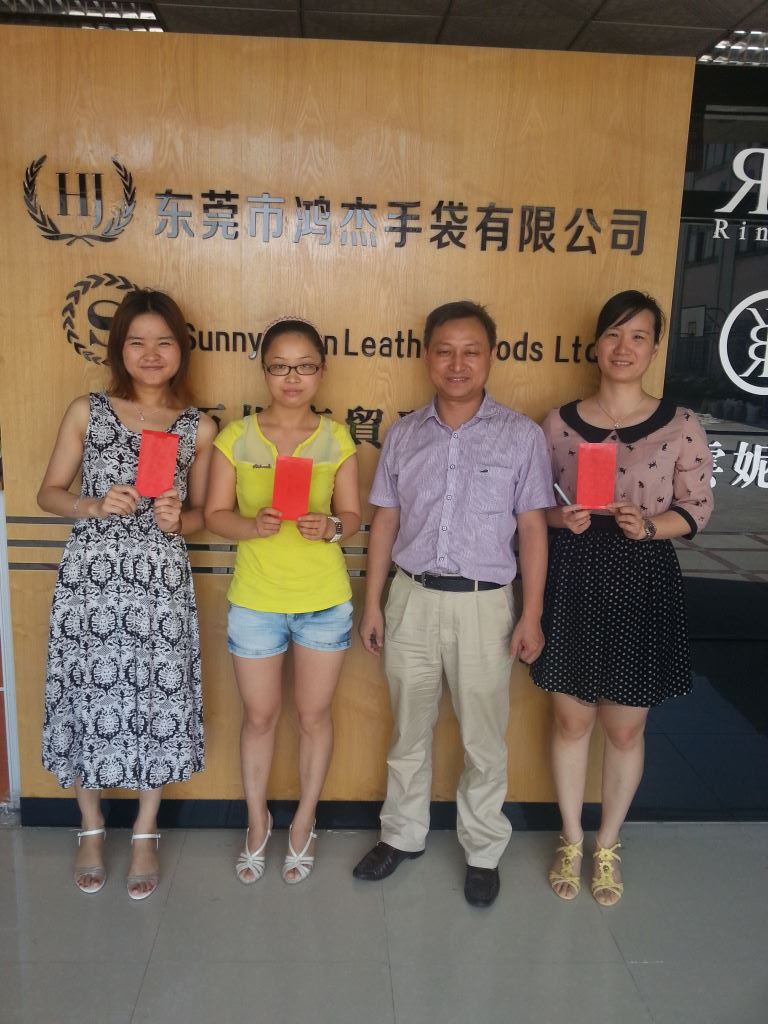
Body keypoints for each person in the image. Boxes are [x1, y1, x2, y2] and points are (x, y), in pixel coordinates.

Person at [352, 300, 552, 908]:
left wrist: (531, 614)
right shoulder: (404, 433)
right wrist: (373, 603)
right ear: (426, 357)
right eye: (445, 351)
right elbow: (385, 522)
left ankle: (483, 849)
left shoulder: (521, 435)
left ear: (491, 356)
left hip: (485, 606)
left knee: (483, 739)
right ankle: (401, 834)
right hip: (411, 598)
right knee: (407, 731)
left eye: (471, 352)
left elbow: (533, 530)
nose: (457, 364)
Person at [530, 289, 713, 906]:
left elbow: (697, 508)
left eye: (638, 336)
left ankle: (607, 844)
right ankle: (571, 837)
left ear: (656, 347)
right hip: (574, 575)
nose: (624, 347)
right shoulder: (559, 423)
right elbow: (532, 506)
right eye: (613, 334)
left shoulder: (681, 424)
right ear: (595, 343)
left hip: (642, 579)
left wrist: (651, 525)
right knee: (571, 719)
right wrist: (561, 518)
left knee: (625, 730)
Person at [38, 288, 216, 900]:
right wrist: (92, 504)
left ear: (181, 350)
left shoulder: (198, 426)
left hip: (160, 582)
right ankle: (90, 824)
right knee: (89, 690)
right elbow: (48, 492)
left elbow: (204, 515)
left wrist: (178, 519)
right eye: (137, 342)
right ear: (119, 349)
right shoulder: (87, 411)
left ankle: (145, 828)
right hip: (91, 580)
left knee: (155, 696)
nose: (151, 353)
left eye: (164, 342)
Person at [205, 317, 361, 885]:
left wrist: (332, 528)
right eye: (279, 366)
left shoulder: (337, 437)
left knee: (314, 716)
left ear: (322, 370)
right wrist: (252, 526)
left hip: (323, 600)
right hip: (256, 600)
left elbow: (353, 516)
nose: (292, 378)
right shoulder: (236, 437)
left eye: (304, 366)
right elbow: (215, 514)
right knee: (260, 717)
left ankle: (303, 823)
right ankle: (257, 823)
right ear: (264, 370)